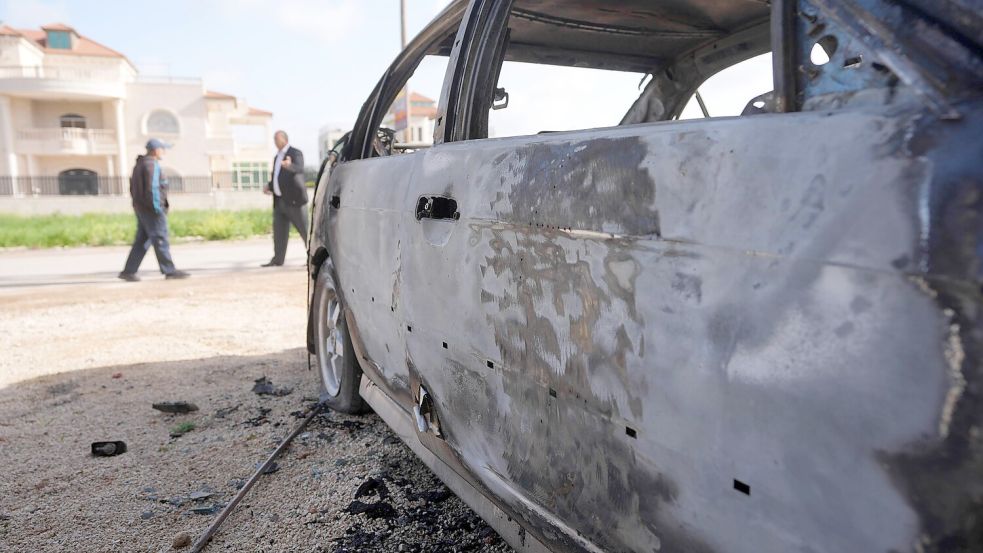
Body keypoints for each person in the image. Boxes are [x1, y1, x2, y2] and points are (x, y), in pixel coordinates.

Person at [118, 139, 189, 281]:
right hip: (152, 210)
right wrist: (157, 209)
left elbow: (133, 189)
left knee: (142, 241)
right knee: (160, 239)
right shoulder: (151, 165)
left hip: (141, 209)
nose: (164, 152)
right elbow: (153, 189)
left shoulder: (139, 164)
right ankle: (169, 270)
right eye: (163, 149)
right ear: (156, 150)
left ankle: (128, 271)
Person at [262, 130, 309, 267]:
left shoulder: (295, 153)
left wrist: (290, 165)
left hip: (295, 201)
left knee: (305, 231)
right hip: (279, 201)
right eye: (274, 139)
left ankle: (312, 259)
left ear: (284, 139)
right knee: (279, 233)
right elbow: (277, 177)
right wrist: (270, 186)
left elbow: (299, 169)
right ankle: (278, 259)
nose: (275, 142)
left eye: (276, 139)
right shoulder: (277, 157)